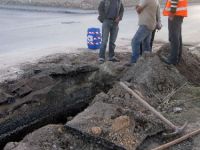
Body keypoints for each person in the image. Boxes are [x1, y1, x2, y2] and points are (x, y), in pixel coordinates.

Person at [128, 0, 160, 65]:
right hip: (151, 24)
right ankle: (147, 62)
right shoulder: (156, 1)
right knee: (146, 44)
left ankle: (134, 61)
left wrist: (137, 7)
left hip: (145, 23)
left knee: (135, 41)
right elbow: (157, 13)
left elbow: (138, 10)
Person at [162, 0, 188, 65]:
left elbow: (174, 1)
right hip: (178, 14)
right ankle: (177, 58)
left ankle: (172, 60)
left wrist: (172, 13)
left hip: (175, 14)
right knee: (178, 36)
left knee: (174, 37)